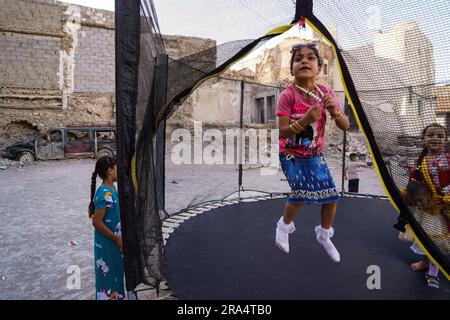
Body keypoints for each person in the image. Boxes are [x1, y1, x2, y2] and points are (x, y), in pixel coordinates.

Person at [275, 42, 350, 262]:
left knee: (331, 198)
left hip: (314, 155)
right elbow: (282, 132)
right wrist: (306, 119)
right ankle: (283, 226)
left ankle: (324, 235)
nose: (304, 61)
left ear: (319, 67)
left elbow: (345, 125)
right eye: (298, 59)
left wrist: (334, 111)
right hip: (291, 154)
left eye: (310, 58)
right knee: (300, 195)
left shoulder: (326, 93)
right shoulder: (288, 96)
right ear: (292, 69)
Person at [401, 123, 450, 288]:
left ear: (446, 140)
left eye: (439, 136)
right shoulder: (420, 162)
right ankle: (425, 262)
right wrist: (413, 198)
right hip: (428, 211)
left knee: (437, 242)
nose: (435, 138)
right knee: (426, 239)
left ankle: (434, 272)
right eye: (430, 135)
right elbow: (414, 183)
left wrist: (445, 195)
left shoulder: (448, 159)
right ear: (423, 140)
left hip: (444, 209)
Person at [88, 156, 125, 300]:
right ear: (110, 170)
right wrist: (116, 238)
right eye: (117, 168)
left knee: (116, 274)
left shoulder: (112, 188)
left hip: (115, 242)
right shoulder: (105, 193)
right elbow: (97, 222)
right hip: (108, 244)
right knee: (109, 277)